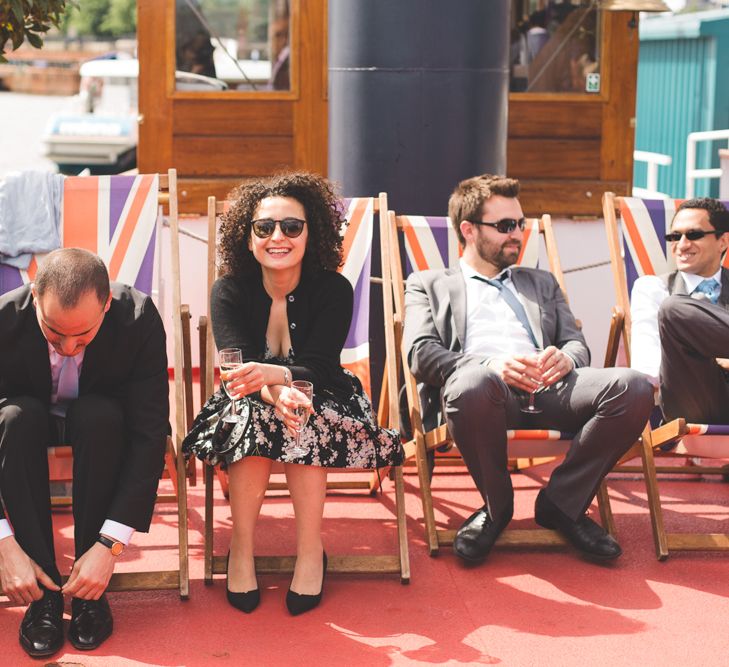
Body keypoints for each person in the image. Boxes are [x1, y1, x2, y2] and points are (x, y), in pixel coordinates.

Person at [403, 174, 653, 564]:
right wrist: (491, 365)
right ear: (468, 230)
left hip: (551, 387)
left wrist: (567, 358)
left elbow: (576, 343)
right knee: (474, 382)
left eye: (520, 224)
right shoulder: (428, 283)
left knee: (633, 386)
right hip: (483, 395)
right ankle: (496, 508)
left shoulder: (541, 281)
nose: (517, 234)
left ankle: (561, 503)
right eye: (504, 226)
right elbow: (420, 353)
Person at [183, 172, 403, 616]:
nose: (277, 236)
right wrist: (273, 389)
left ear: (311, 232)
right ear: (248, 238)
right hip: (244, 401)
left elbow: (320, 368)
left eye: (291, 226)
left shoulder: (333, 289)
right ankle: (241, 548)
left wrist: (282, 383)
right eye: (264, 228)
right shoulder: (228, 290)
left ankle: (309, 551)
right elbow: (235, 372)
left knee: (301, 410)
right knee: (260, 413)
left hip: (324, 395)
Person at [0, 248, 168, 658]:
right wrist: (2, 543)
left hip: (98, 422)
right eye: (55, 333)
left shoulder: (138, 316)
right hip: (24, 417)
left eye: (84, 335)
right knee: (15, 419)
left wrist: (110, 545)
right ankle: (44, 595)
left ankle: (91, 591)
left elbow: (149, 434)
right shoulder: (2, 318)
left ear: (106, 305)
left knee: (100, 417)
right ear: (35, 295)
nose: (70, 346)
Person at [630, 198, 729, 424]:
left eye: (693, 235)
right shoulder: (653, 289)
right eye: (674, 237)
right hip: (695, 403)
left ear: (722, 241)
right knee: (673, 309)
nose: (682, 245)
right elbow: (648, 369)